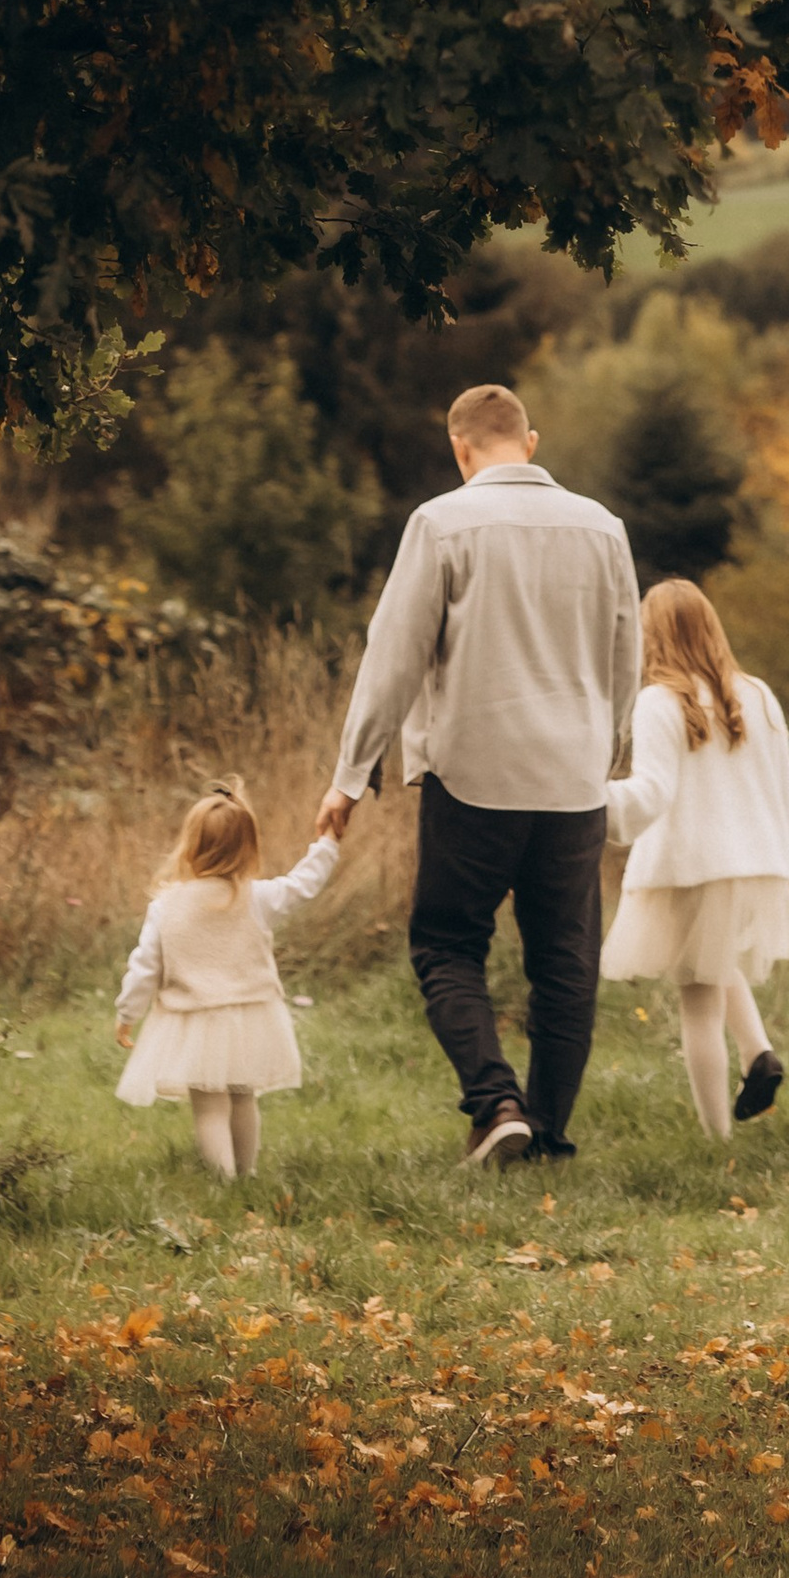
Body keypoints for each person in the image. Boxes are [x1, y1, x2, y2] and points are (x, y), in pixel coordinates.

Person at [317, 384, 638, 1166]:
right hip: (573, 781)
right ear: (530, 441)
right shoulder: (604, 528)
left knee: (447, 944)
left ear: (460, 450)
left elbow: (393, 655)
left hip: (474, 777)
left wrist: (351, 773)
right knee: (566, 962)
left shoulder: (442, 522)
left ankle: (496, 1104)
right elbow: (627, 654)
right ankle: (549, 1135)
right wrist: (611, 755)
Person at [604, 580, 789, 1138]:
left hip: (692, 863)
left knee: (697, 1003)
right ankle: (759, 1053)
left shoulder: (658, 700)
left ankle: (718, 1140)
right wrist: (781, 858)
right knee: (714, 958)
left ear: (654, 636)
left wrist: (593, 803)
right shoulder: (758, 693)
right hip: (756, 860)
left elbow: (652, 793)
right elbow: (785, 788)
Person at [114, 780, 341, 1179]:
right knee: (243, 1098)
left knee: (210, 1107)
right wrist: (327, 843)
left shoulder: (167, 906)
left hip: (196, 1021)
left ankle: (225, 1182)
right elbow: (304, 884)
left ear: (191, 844)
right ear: (248, 847)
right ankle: (246, 1173)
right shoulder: (259, 897)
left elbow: (145, 966)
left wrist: (127, 1013)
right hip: (251, 1018)